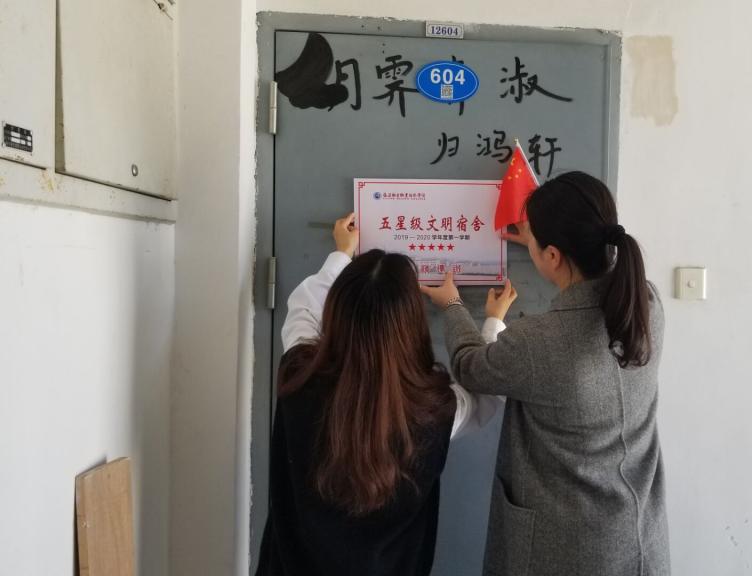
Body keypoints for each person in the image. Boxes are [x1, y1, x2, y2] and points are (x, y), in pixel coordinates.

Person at [421, 171, 670, 576]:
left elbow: (469, 366)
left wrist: (452, 305)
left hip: (567, 548)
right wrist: (544, 243)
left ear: (553, 256)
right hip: (638, 535)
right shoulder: (646, 304)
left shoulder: (540, 341)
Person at [256, 213, 518, 576]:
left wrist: (341, 254)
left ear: (336, 313)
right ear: (410, 326)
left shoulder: (299, 374)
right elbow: (486, 390)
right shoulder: (433, 411)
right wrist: (485, 320)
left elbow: (303, 308)